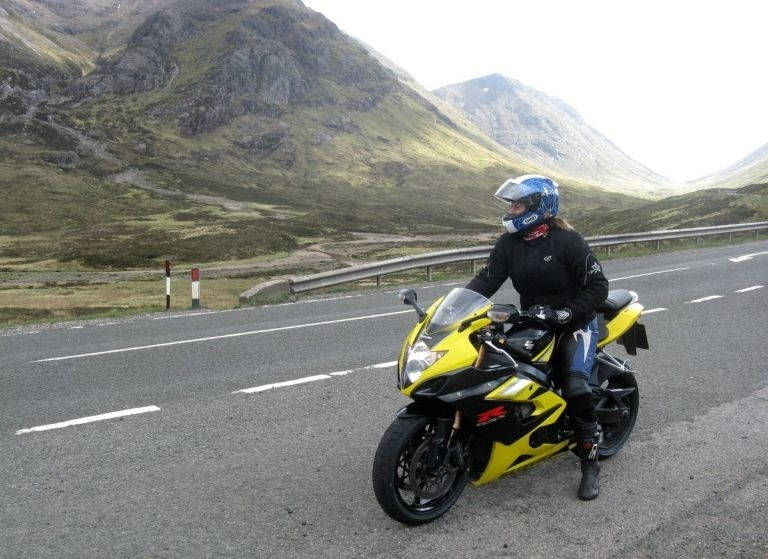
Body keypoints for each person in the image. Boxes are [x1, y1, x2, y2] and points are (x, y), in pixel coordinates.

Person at [465, 174, 609, 500]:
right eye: (512, 204)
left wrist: (567, 313)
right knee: (498, 367)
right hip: (534, 321)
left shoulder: (567, 241)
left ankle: (589, 459)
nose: (512, 210)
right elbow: (486, 281)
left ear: (537, 207)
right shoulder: (509, 244)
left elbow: (599, 287)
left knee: (575, 385)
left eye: (517, 204)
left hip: (576, 323)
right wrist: (453, 307)